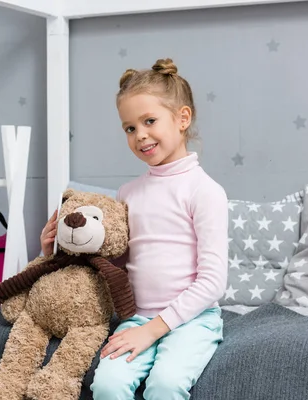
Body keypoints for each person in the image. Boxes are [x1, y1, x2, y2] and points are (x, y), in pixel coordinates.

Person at [39, 58, 228, 400]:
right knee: (108, 385)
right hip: (137, 318)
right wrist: (49, 251)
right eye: (129, 128)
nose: (140, 135)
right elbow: (114, 266)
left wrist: (155, 330)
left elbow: (213, 282)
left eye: (149, 121)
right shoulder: (127, 194)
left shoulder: (204, 191)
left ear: (182, 118)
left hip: (192, 321)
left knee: (166, 385)